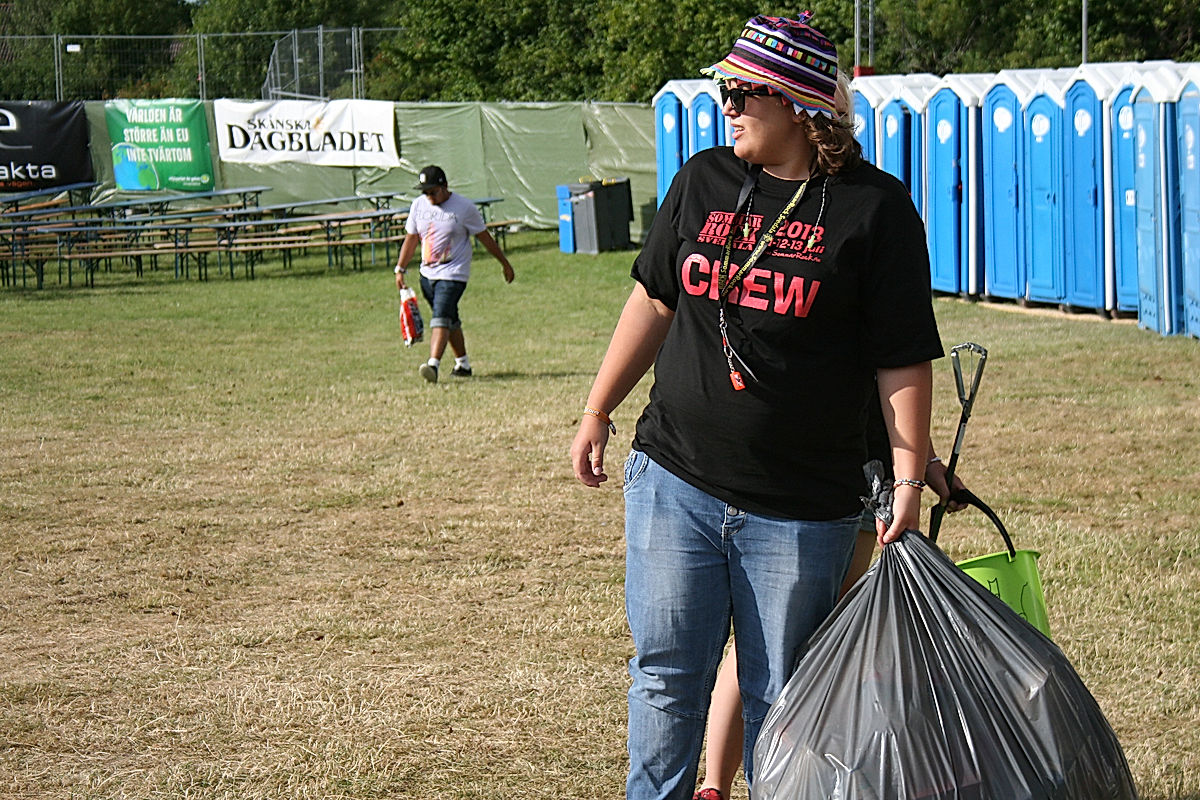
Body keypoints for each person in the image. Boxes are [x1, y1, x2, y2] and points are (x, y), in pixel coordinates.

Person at [569, 12, 944, 800]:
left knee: (786, 696)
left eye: (744, 92)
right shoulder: (703, 180)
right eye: (725, 90)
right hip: (677, 479)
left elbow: (900, 358)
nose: (727, 106)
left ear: (802, 106)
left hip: (803, 506)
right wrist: (599, 408)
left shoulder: (874, 211)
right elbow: (655, 299)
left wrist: (908, 478)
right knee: (667, 676)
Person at [693, 436, 969, 800]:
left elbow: (892, 395)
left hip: (865, 483)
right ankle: (719, 784)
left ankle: (768, 780)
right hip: (812, 485)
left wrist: (929, 465)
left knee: (812, 636)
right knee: (774, 637)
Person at [395, 165, 515, 383]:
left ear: (445, 186)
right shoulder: (417, 206)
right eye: (425, 192)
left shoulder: (464, 207)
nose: (428, 196)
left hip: (453, 273)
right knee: (450, 319)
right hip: (427, 275)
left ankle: (433, 365)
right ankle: (463, 364)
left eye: (433, 191)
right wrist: (400, 269)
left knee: (440, 316)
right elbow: (411, 239)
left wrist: (504, 263)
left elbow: (484, 237)